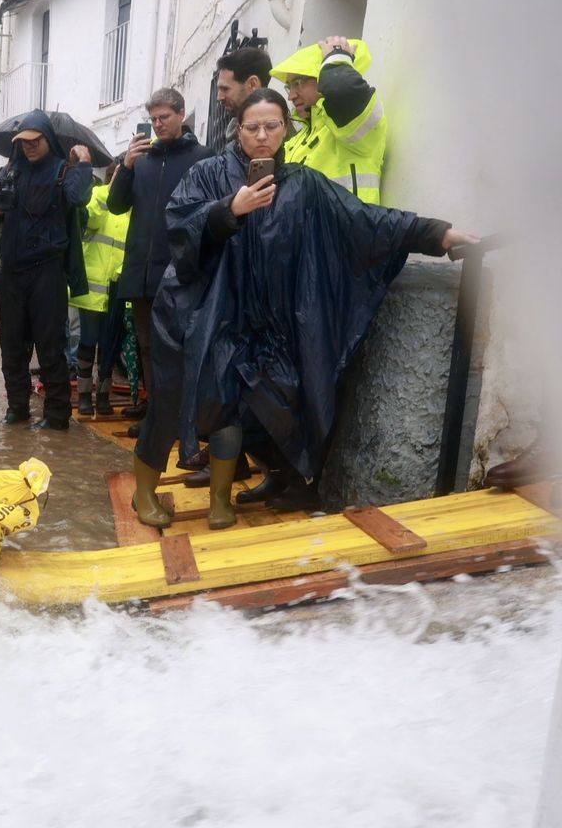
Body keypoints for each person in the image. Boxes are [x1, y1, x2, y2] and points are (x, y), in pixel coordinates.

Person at [131, 88, 477, 530]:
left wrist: (436, 234)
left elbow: (364, 220)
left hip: (262, 323)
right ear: (237, 130)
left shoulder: (304, 187)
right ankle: (145, 492)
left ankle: (222, 499)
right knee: (170, 404)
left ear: (286, 129)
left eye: (271, 126)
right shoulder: (208, 175)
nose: (261, 136)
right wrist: (228, 209)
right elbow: (179, 228)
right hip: (197, 313)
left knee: (233, 408)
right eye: (252, 127)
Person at [107, 87, 214, 431]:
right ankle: (157, 414)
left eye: (164, 117)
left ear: (181, 114)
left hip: (181, 269)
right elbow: (116, 206)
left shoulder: (202, 157)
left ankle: (184, 416)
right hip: (141, 268)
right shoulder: (142, 160)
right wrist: (125, 166)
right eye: (153, 119)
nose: (158, 125)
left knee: (179, 345)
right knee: (148, 345)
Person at [0, 112, 93, 430]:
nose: (29, 147)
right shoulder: (10, 170)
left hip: (47, 272)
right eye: (23, 142)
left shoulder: (64, 171)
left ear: (48, 140)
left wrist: (85, 164)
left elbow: (80, 197)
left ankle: (57, 414)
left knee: (50, 347)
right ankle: (17, 407)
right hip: (12, 271)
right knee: (11, 345)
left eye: (35, 141)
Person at [273, 37, 388, 204]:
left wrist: (336, 59)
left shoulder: (349, 124)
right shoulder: (298, 139)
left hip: (348, 229)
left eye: (298, 83)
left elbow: (343, 90)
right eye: (289, 86)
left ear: (323, 78)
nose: (291, 95)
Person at [69, 166, 129, 417]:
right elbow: (88, 220)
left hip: (117, 285)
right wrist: (107, 194)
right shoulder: (98, 196)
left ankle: (103, 394)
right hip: (94, 286)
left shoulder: (131, 204)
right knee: (88, 341)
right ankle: (84, 394)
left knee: (109, 344)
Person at [214, 46, 272, 145]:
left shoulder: (278, 142)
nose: (219, 97)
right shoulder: (235, 139)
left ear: (252, 84)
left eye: (225, 89)